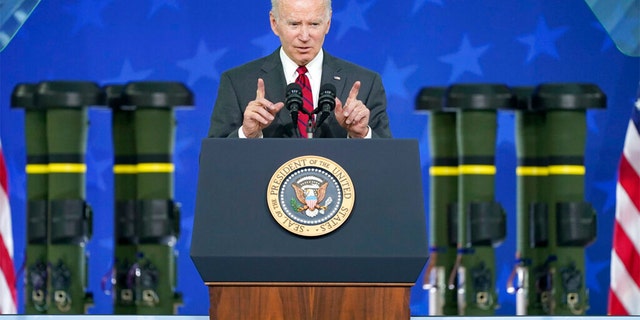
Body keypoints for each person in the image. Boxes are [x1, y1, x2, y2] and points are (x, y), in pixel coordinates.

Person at [207, 0, 392, 139]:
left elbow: (388, 165)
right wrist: (246, 134)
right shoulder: (238, 82)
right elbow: (212, 163)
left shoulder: (366, 83)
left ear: (327, 24)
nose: (304, 36)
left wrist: (362, 135)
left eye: (314, 24)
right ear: (274, 23)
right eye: (294, 24)